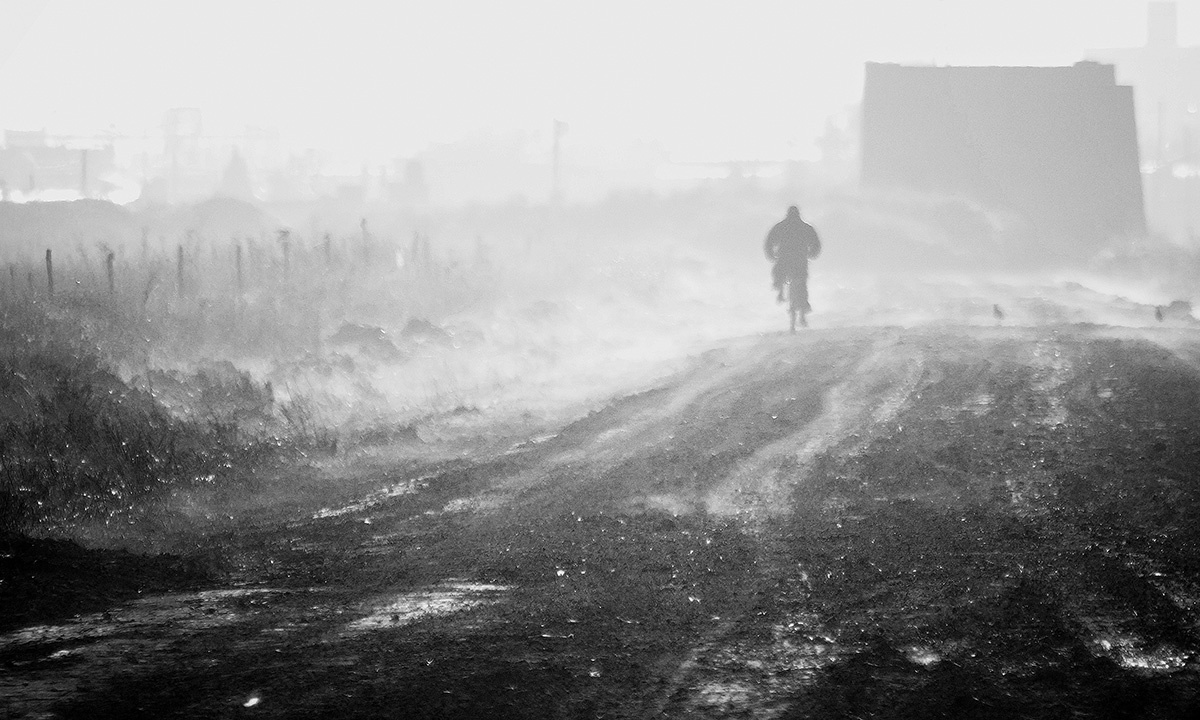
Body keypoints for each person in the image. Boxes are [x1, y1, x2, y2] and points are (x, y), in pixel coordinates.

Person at [764, 205, 821, 311]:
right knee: (801, 281)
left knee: (778, 272)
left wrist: (770, 254)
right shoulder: (805, 227)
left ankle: (779, 287)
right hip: (800, 259)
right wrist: (813, 253)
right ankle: (803, 303)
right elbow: (815, 242)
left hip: (784, 258)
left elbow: (770, 240)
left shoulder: (781, 226)